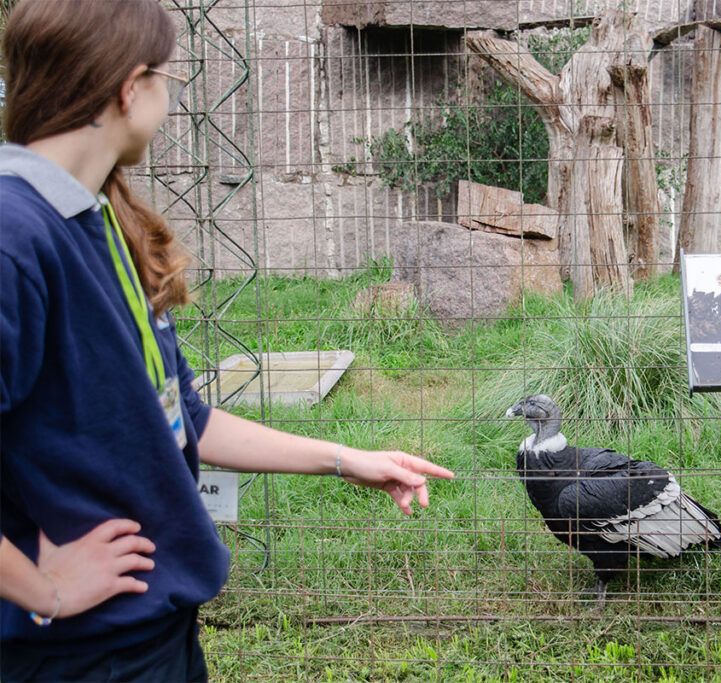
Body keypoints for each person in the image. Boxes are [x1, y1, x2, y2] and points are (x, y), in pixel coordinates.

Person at [0, 1, 454, 680]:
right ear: (129, 88)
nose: (169, 99)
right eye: (167, 81)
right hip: (76, 651)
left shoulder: (94, 216)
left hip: (152, 634)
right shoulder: (15, 237)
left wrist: (345, 458)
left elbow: (181, 418)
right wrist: (45, 587)